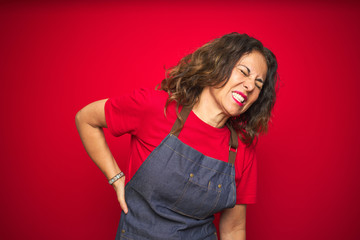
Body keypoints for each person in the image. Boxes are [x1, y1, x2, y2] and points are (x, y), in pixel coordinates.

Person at [75, 32, 278, 240]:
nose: (250, 85)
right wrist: (116, 179)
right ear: (218, 64)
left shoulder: (240, 149)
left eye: (258, 84)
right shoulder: (155, 108)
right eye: (244, 72)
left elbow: (233, 229)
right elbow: (86, 119)